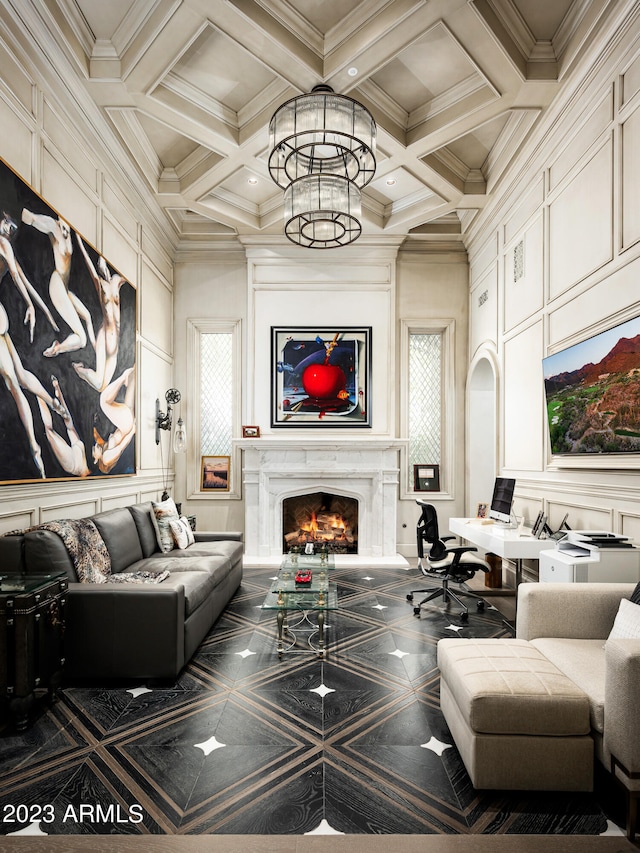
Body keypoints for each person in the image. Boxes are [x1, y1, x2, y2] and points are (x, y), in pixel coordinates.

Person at [0, 213, 66, 479]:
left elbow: (18, 277)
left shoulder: (3, 244)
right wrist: (38, 309)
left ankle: (35, 448)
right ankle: (50, 404)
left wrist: (32, 306)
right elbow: (21, 279)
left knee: (15, 383)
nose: (8, 226)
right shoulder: (6, 246)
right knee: (18, 380)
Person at [21, 208, 95, 357]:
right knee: (81, 339)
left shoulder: (68, 232)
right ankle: (58, 348)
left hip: (65, 287)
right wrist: (29, 217)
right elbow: (29, 217)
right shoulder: (54, 227)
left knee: (87, 316)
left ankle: (95, 350)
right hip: (57, 284)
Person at [73, 234, 125, 392]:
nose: (101, 266)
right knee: (97, 383)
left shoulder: (116, 282)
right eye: (99, 264)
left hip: (116, 340)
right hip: (104, 336)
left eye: (103, 263)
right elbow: (88, 262)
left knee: (102, 388)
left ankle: (81, 371)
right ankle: (79, 370)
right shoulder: (101, 285)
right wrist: (80, 241)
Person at [36, 375, 89, 477]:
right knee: (67, 424)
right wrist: (58, 389)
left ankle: (39, 394)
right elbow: (70, 425)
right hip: (80, 458)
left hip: (75, 466)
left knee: (50, 431)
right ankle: (48, 392)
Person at [92, 366, 135, 474]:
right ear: (95, 459)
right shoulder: (106, 459)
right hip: (126, 425)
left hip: (125, 423)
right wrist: (133, 430)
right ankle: (123, 377)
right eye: (93, 452)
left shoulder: (104, 449)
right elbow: (121, 446)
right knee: (104, 401)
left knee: (133, 377)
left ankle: (129, 373)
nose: (94, 448)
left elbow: (97, 438)